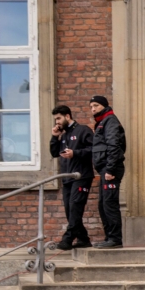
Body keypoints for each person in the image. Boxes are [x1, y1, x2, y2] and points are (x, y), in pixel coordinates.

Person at [49, 105, 94, 250]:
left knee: (75, 208)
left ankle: (67, 240)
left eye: (58, 118)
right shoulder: (64, 135)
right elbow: (55, 153)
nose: (57, 122)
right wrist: (54, 137)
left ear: (67, 116)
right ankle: (83, 238)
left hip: (81, 176)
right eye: (55, 119)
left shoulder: (83, 130)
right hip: (67, 178)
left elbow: (93, 149)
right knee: (70, 210)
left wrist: (75, 153)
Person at [89, 95, 126, 249]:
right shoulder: (102, 122)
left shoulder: (110, 121)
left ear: (104, 106)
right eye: (91, 107)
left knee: (109, 203)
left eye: (96, 105)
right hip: (105, 168)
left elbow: (113, 145)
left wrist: (110, 169)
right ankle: (109, 237)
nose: (93, 109)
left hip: (110, 169)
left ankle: (115, 239)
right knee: (102, 204)